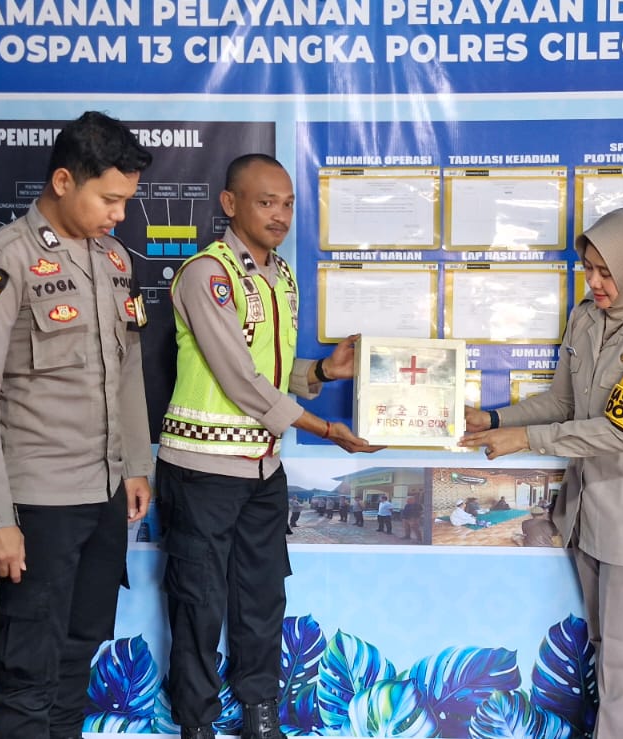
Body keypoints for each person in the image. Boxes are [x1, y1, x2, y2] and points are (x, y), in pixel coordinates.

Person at [156, 153, 379, 739]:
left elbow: (270, 370)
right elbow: (237, 378)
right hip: (203, 469)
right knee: (199, 601)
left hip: (262, 470)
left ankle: (260, 712)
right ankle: (196, 722)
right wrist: (324, 428)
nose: (280, 215)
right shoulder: (208, 274)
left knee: (262, 595)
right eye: (265, 202)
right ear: (230, 204)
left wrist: (323, 372)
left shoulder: (281, 276)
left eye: (287, 204)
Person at [0, 111, 155, 739]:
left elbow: (127, 371)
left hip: (104, 495)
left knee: (77, 656)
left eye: (127, 200)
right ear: (64, 181)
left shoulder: (114, 260)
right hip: (36, 503)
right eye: (110, 199)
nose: (120, 214)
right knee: (27, 668)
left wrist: (136, 466)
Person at [460, 207, 623, 739]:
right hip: (588, 509)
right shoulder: (587, 318)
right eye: (589, 269)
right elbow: (564, 402)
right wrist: (495, 420)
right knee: (606, 651)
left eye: (607, 272)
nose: (595, 282)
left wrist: (526, 440)